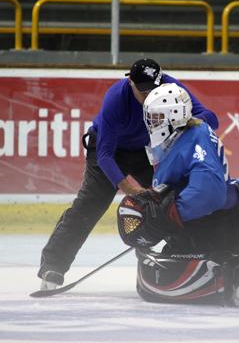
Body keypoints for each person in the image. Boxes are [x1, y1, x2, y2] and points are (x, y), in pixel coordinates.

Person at [117, 82, 239, 306]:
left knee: (168, 279)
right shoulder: (187, 136)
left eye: (155, 118)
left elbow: (208, 191)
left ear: (173, 116)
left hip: (215, 224)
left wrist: (171, 214)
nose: (150, 124)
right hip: (227, 220)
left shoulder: (191, 140)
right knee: (172, 259)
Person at [38, 59, 219, 290]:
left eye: (153, 89)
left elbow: (211, 117)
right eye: (142, 91)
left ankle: (186, 256)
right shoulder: (116, 99)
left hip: (146, 151)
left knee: (171, 201)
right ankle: (53, 265)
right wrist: (132, 190)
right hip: (108, 151)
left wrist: (194, 121)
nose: (148, 96)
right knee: (89, 205)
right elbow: (104, 155)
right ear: (130, 82)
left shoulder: (171, 87)